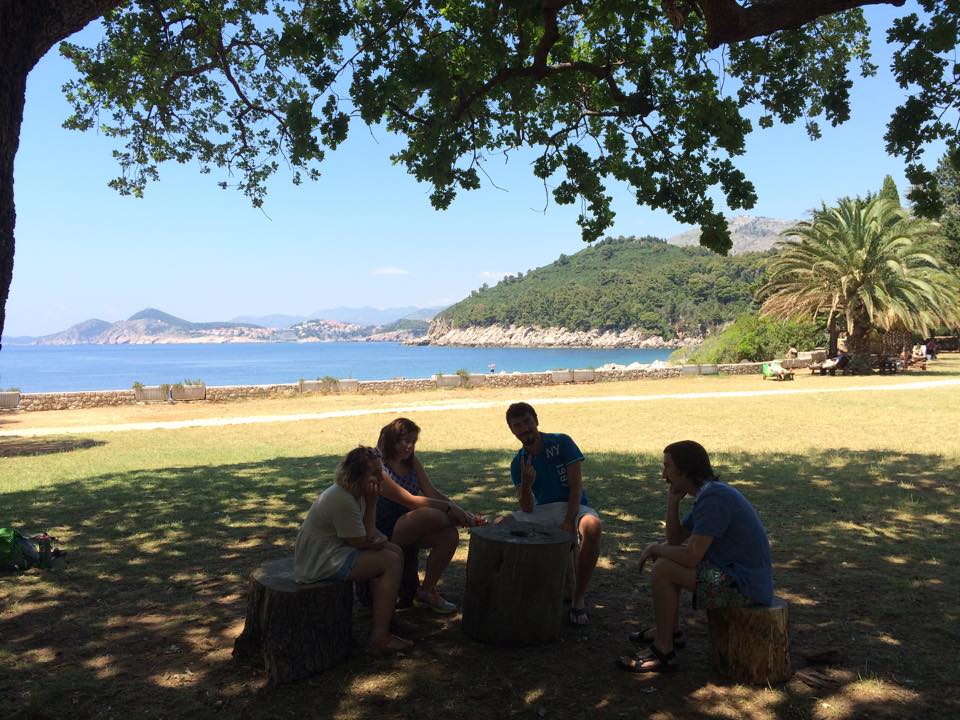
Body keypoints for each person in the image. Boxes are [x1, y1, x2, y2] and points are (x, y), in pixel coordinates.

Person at [618, 440, 772, 673]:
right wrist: (672, 502)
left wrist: (654, 548)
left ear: (685, 469)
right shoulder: (707, 493)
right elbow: (676, 539)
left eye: (667, 467)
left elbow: (691, 556)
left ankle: (663, 651)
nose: (663, 474)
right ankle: (671, 632)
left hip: (745, 586)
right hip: (734, 576)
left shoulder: (714, 498)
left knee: (663, 569)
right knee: (666, 562)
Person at [294, 446, 412, 656]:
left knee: (395, 551)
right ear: (357, 475)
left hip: (337, 551)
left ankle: (387, 616)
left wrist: (372, 504)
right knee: (390, 561)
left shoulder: (358, 493)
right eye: (374, 473)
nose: (380, 477)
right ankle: (379, 638)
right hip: (320, 561)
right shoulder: (343, 498)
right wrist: (377, 538)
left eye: (381, 470)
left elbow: (370, 533)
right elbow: (363, 540)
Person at [505, 402, 603, 626]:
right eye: (517, 425)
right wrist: (527, 483)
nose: (524, 429)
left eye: (527, 422)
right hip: (542, 510)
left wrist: (569, 521)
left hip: (574, 505)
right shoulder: (517, 463)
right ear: (512, 430)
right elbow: (527, 508)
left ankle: (578, 598)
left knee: (592, 526)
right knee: (501, 524)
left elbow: (576, 486)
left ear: (536, 421)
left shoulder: (561, 442)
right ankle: (518, 592)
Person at [375, 417, 483, 614]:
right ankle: (466, 522)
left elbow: (431, 492)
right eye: (404, 440)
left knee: (449, 536)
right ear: (391, 439)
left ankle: (426, 591)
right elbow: (409, 500)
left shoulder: (411, 462)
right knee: (426, 514)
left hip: (409, 523)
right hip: (382, 529)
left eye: (413, 441)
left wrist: (460, 510)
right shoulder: (379, 467)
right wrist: (453, 512)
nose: (409, 446)